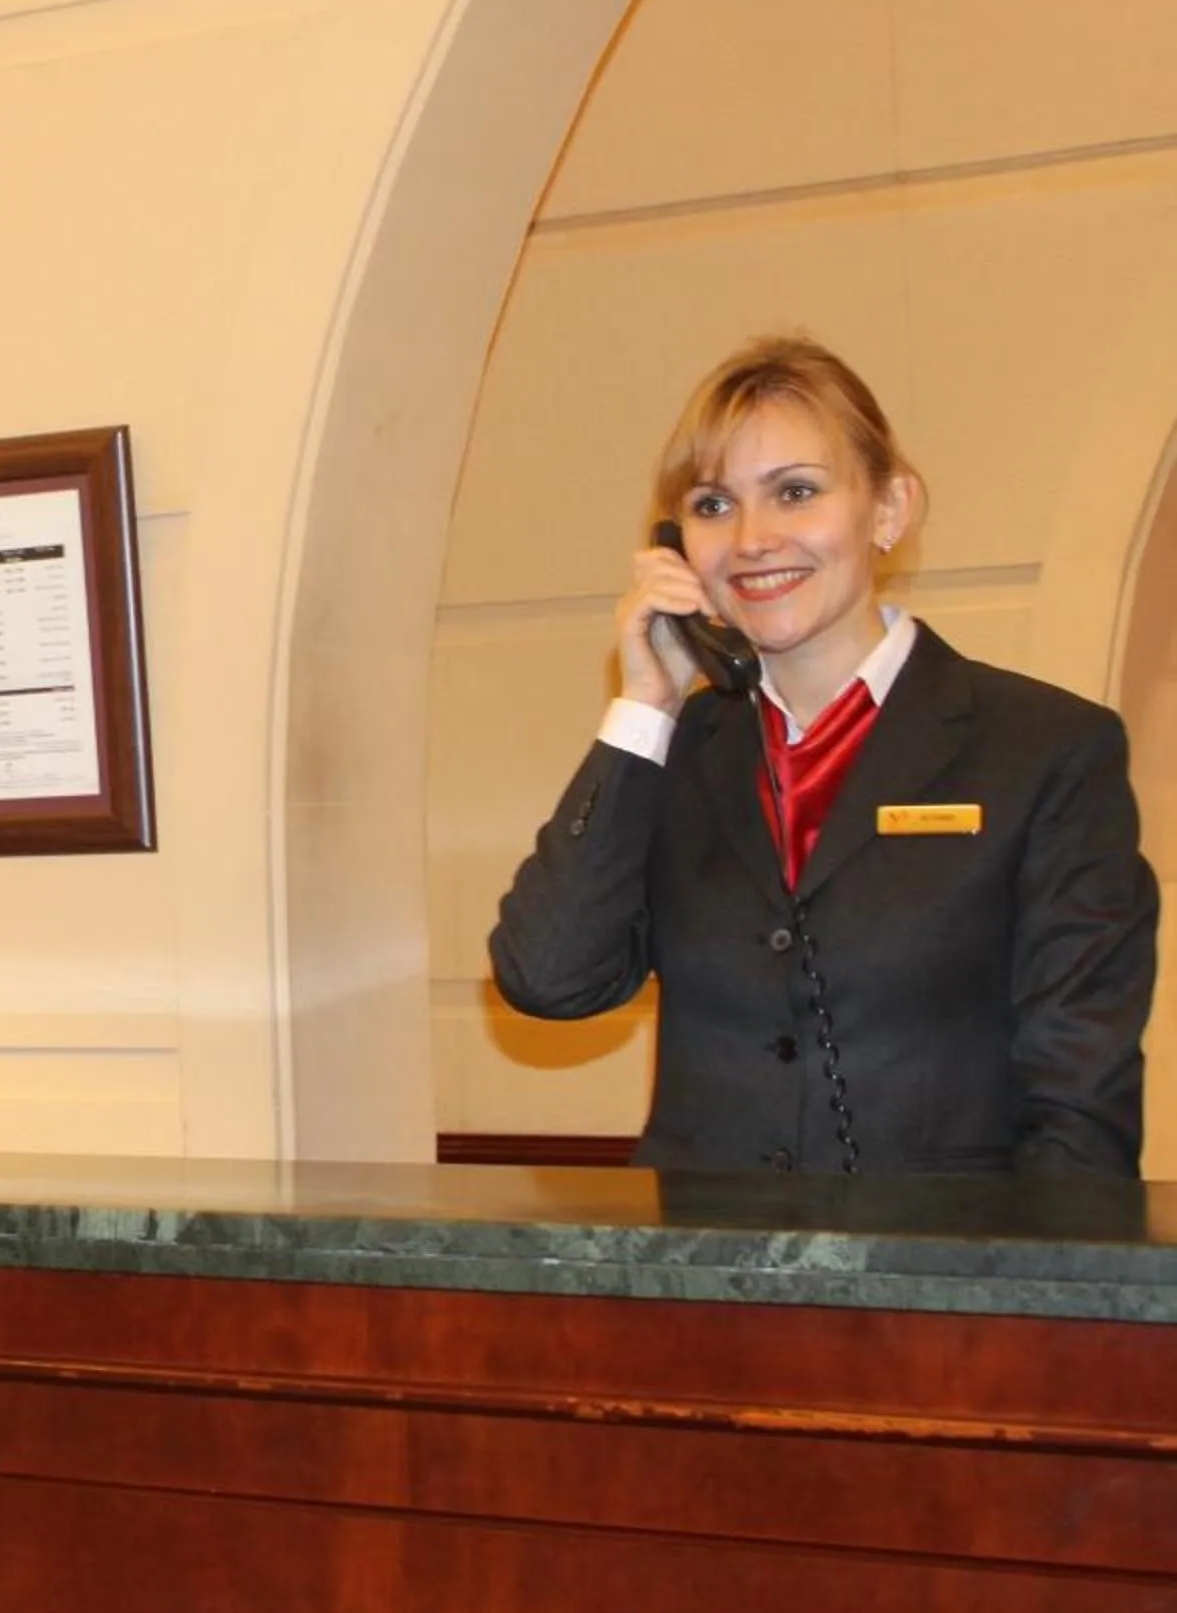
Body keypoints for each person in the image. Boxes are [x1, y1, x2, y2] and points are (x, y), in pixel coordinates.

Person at [489, 337, 1155, 1176]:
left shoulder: (1042, 749)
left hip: (940, 1287)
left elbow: (1079, 1103)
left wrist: (1009, 1298)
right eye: (712, 505)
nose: (754, 539)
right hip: (702, 1289)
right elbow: (548, 980)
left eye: (795, 492)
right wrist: (644, 707)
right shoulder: (673, 754)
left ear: (889, 509)